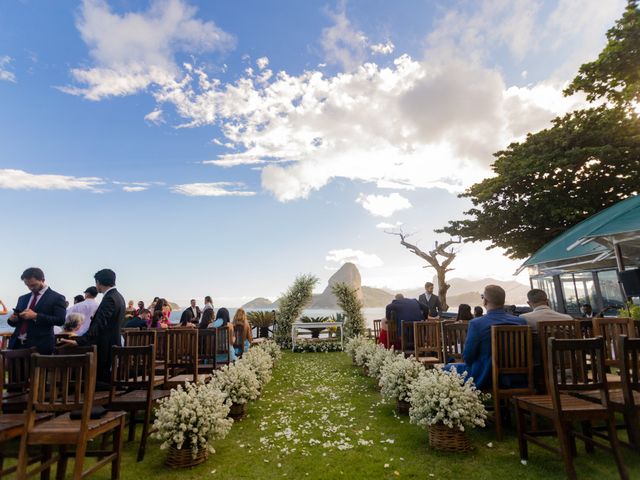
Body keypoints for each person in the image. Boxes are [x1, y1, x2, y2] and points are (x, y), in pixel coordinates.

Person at [449, 285, 526, 390]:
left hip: (485, 376)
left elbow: (468, 356)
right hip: (516, 378)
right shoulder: (520, 322)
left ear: (485, 301)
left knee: (445, 369)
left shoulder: (477, 324)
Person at [61, 269, 126, 390]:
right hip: (114, 341)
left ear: (98, 282)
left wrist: (79, 341)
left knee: (99, 380)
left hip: (105, 345)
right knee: (105, 378)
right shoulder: (119, 297)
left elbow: (99, 325)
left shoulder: (109, 298)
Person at [7, 267, 66, 354]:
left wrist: (36, 316)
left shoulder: (57, 298)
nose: (31, 288)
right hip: (16, 345)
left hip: (40, 346)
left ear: (43, 280)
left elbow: (60, 320)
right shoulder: (22, 298)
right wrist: (12, 320)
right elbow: (16, 323)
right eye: (27, 285)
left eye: (34, 285)